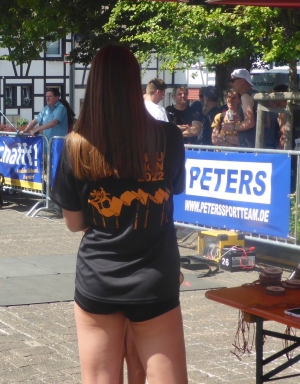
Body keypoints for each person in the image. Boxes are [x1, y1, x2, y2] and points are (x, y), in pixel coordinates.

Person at [51, 45, 188, 384]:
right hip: (156, 274)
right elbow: (172, 192)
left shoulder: (75, 145)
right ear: (134, 82)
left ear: (93, 84)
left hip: (100, 275)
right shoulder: (168, 137)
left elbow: (74, 224)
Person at [223, 69, 257, 147]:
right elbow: (266, 123)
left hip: (248, 146)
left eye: (232, 80)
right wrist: (239, 119)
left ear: (242, 81)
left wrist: (232, 127)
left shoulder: (245, 96)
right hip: (258, 144)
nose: (230, 83)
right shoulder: (256, 94)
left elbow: (249, 123)